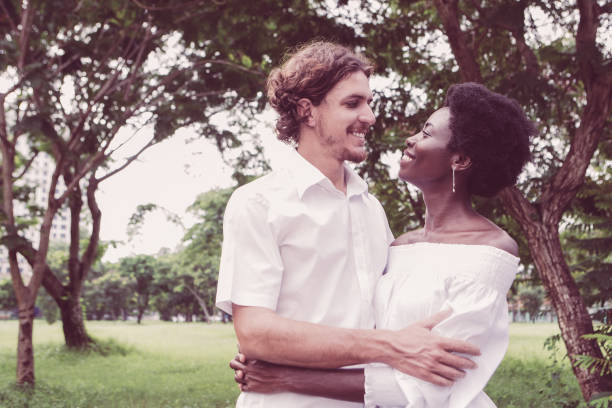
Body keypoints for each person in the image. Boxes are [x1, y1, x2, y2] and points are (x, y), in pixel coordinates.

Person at [230, 82, 535, 407]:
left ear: (459, 160)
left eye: (427, 134)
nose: (411, 138)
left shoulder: (489, 253)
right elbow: (361, 329)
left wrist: (285, 379)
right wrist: (276, 350)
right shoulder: (400, 245)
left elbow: (430, 385)